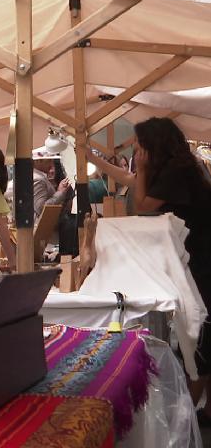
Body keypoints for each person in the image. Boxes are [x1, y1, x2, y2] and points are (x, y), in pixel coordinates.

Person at [89, 117, 211, 421]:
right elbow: (131, 181)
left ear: (154, 145)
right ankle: (202, 412)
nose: (137, 151)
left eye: (141, 145)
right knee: (203, 331)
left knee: (200, 333)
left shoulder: (176, 171)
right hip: (198, 256)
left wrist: (141, 169)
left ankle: (187, 419)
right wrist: (90, 157)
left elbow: (142, 204)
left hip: (202, 259)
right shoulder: (175, 168)